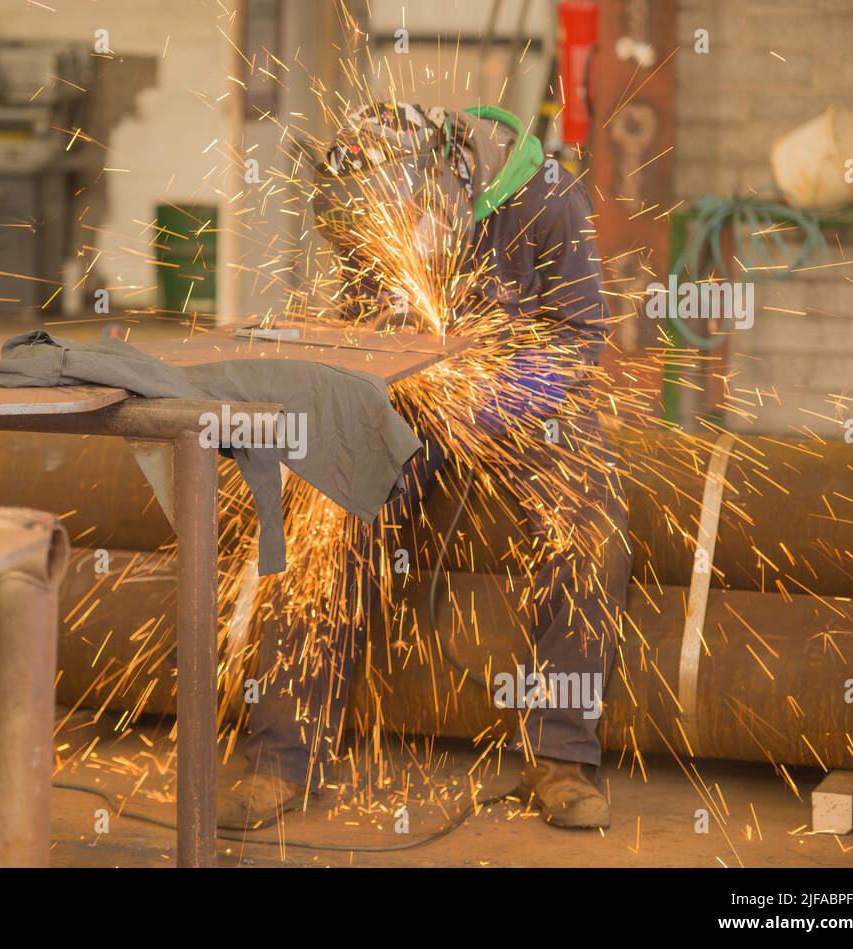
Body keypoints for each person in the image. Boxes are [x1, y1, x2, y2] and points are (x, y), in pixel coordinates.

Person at [217, 102, 631, 830]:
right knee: (323, 512)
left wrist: (495, 398)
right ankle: (284, 756)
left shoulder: (546, 199)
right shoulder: (372, 200)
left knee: (588, 524)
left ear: (449, 184)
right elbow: (362, 321)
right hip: (411, 396)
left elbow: (581, 336)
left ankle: (561, 754)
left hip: (530, 401)